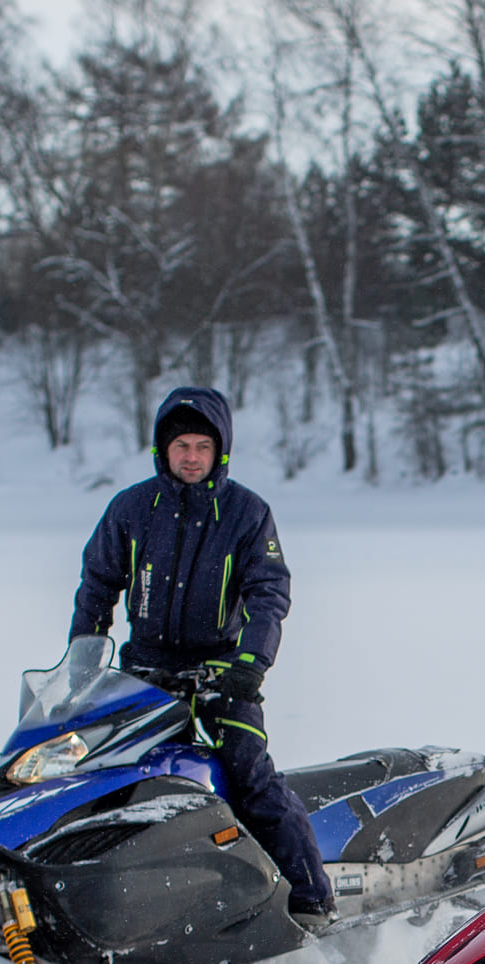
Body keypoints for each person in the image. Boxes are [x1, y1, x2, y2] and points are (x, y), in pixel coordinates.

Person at [69, 386, 334, 921]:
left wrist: (250, 664)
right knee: (102, 777)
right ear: (162, 451)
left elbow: (268, 595)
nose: (191, 456)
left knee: (249, 775)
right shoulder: (131, 509)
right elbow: (96, 586)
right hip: (141, 677)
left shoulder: (246, 513)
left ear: (220, 453)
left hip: (219, 676)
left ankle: (312, 898)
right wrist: (80, 666)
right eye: (181, 446)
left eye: (202, 447)